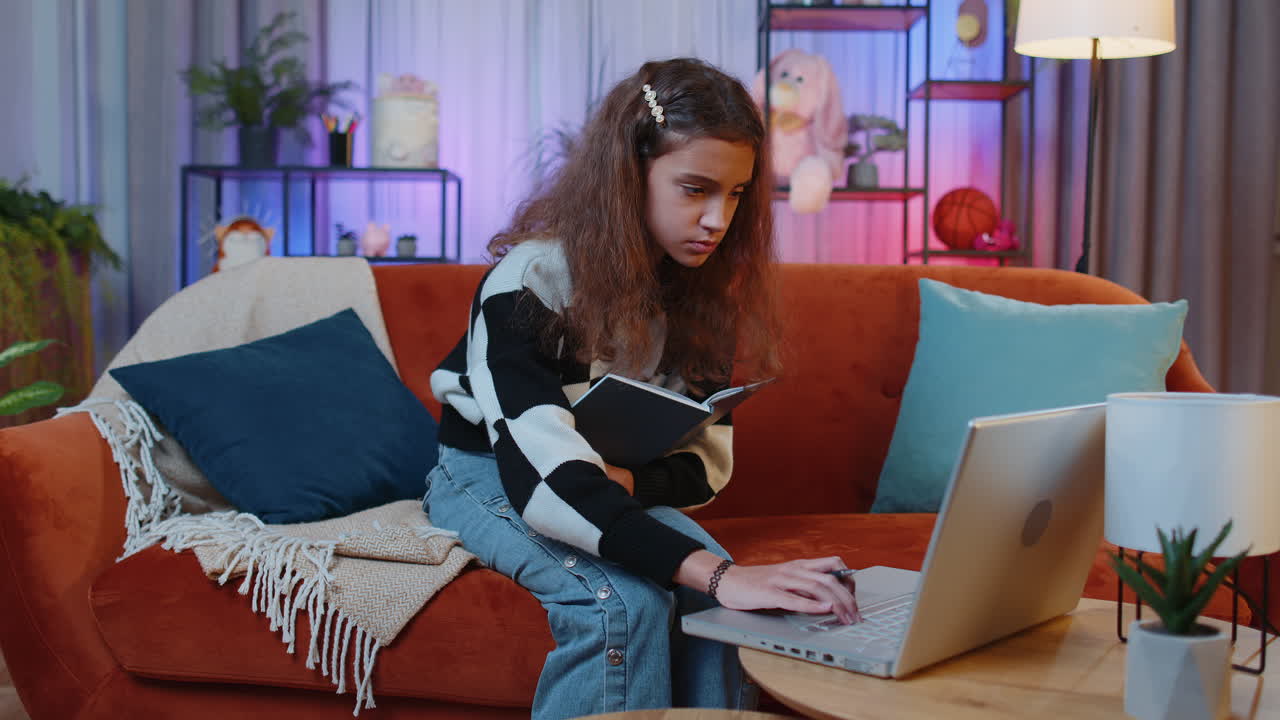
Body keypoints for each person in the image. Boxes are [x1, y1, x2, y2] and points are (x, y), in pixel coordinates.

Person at [423, 57, 859, 720]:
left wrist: (635, 485)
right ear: (631, 174)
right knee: (624, 604)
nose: (718, 218)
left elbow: (708, 465)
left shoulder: (704, 294)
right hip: (487, 471)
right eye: (695, 189)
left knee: (717, 603)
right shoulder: (529, 282)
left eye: (737, 194)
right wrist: (717, 571)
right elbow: (545, 484)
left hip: (597, 476)